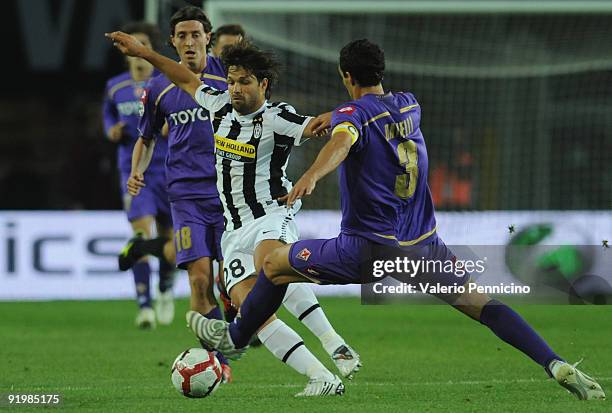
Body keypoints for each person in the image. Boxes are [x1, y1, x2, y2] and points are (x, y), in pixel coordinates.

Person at [182, 39, 605, 401]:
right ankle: (555, 363)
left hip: (367, 249)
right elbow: (356, 129)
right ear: (380, 71)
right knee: (484, 306)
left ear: (346, 75)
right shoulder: (409, 104)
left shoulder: (352, 115)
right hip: (423, 245)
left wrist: (311, 174)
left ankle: (234, 340)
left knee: (272, 266)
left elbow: (343, 140)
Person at [106, 31, 360, 397]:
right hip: (233, 228)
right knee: (250, 308)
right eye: (231, 81)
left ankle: (334, 341)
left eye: (244, 82)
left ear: (263, 84)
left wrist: (351, 123)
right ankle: (322, 377)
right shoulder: (217, 105)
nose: (236, 89)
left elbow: (325, 124)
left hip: (273, 215)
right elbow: (181, 77)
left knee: (272, 266)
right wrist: (142, 52)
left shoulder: (278, 118)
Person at [102, 21, 175, 329]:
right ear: (126, 52)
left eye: (142, 43)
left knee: (169, 238)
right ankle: (144, 305)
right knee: (141, 236)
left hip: (170, 170)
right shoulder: (115, 87)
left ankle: (166, 289)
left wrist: (173, 125)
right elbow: (108, 116)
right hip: (133, 171)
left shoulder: (167, 82)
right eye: (133, 45)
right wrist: (112, 130)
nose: (137, 50)